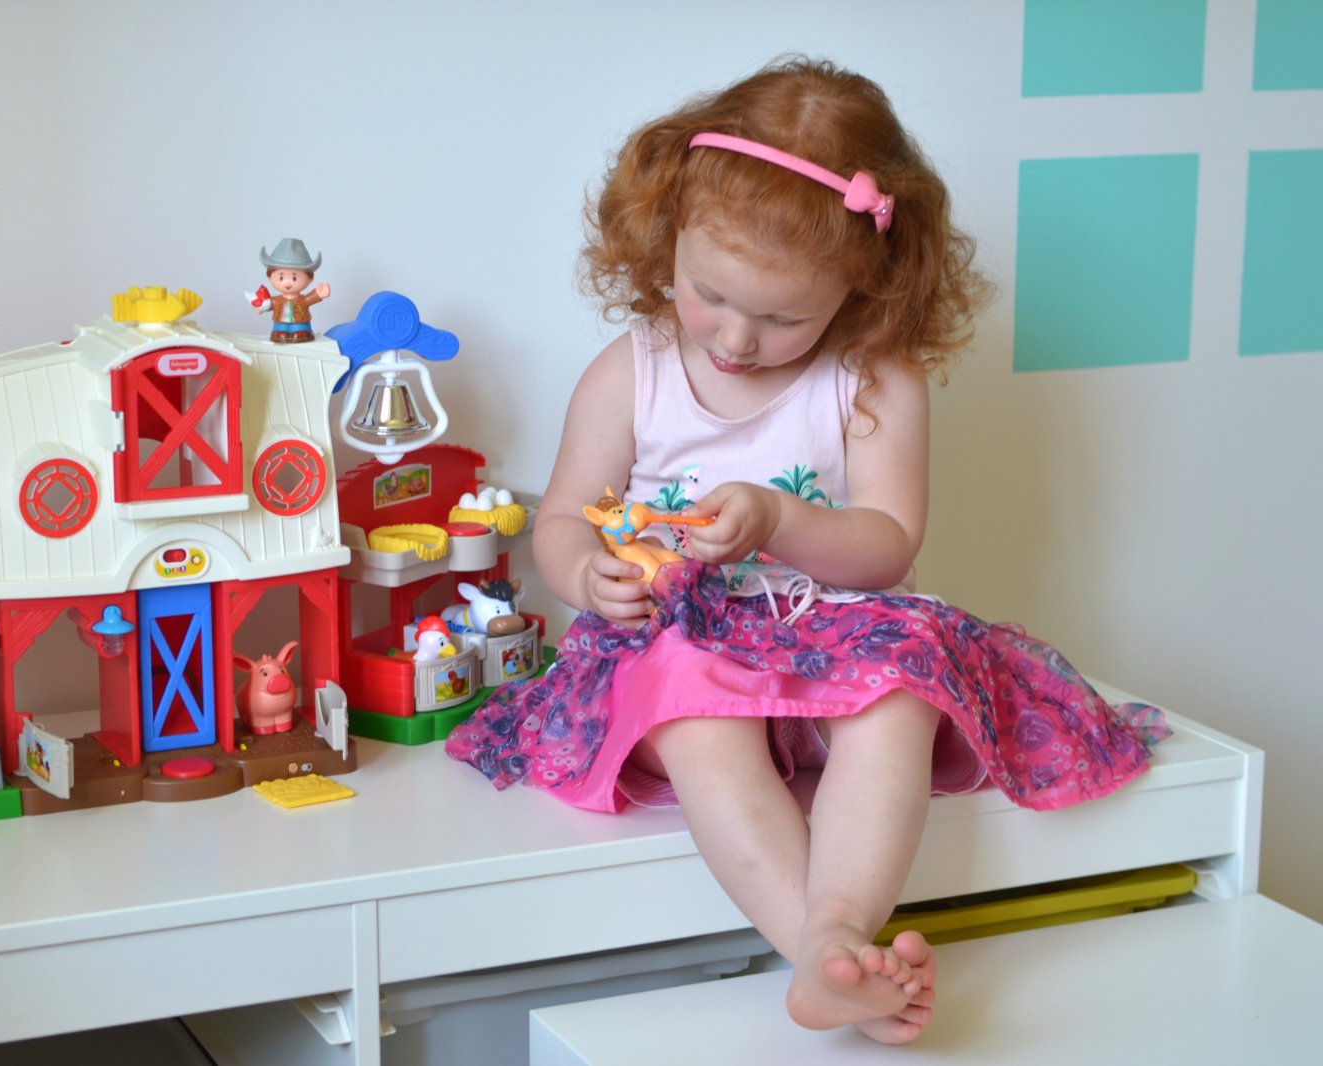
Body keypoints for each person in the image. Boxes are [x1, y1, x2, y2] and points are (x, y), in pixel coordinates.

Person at [446, 56, 1168, 1046]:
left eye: (783, 317)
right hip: (676, 644)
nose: (737, 338)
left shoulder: (872, 378)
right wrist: (584, 574)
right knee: (695, 708)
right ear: (666, 233)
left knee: (902, 692)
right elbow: (564, 518)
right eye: (709, 294)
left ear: (863, 283)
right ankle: (820, 951)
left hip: (828, 638)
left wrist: (780, 522)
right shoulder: (633, 371)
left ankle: (837, 927)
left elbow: (887, 545)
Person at [248, 238, 330, 343]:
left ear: (309, 279)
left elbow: (309, 299)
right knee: (280, 333)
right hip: (280, 323)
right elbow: (268, 304)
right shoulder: (276, 300)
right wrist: (260, 308)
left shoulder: (303, 300)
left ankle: (301, 331)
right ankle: (280, 332)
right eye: (281, 277)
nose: (287, 283)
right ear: (270, 277)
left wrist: (319, 294)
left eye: (294, 278)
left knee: (301, 332)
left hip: (301, 322)